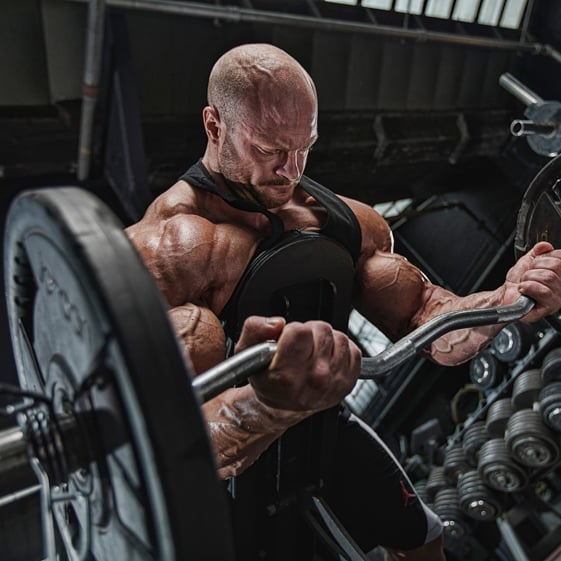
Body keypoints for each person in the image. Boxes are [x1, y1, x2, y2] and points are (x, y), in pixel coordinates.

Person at [125, 43, 561, 560]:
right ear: (214, 125)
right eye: (269, 150)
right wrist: (267, 402)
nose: (291, 171)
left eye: (303, 146)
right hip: (221, 474)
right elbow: (166, 441)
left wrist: (502, 300)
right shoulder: (166, 248)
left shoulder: (345, 223)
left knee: (425, 542)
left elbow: (429, 323)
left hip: (324, 427)